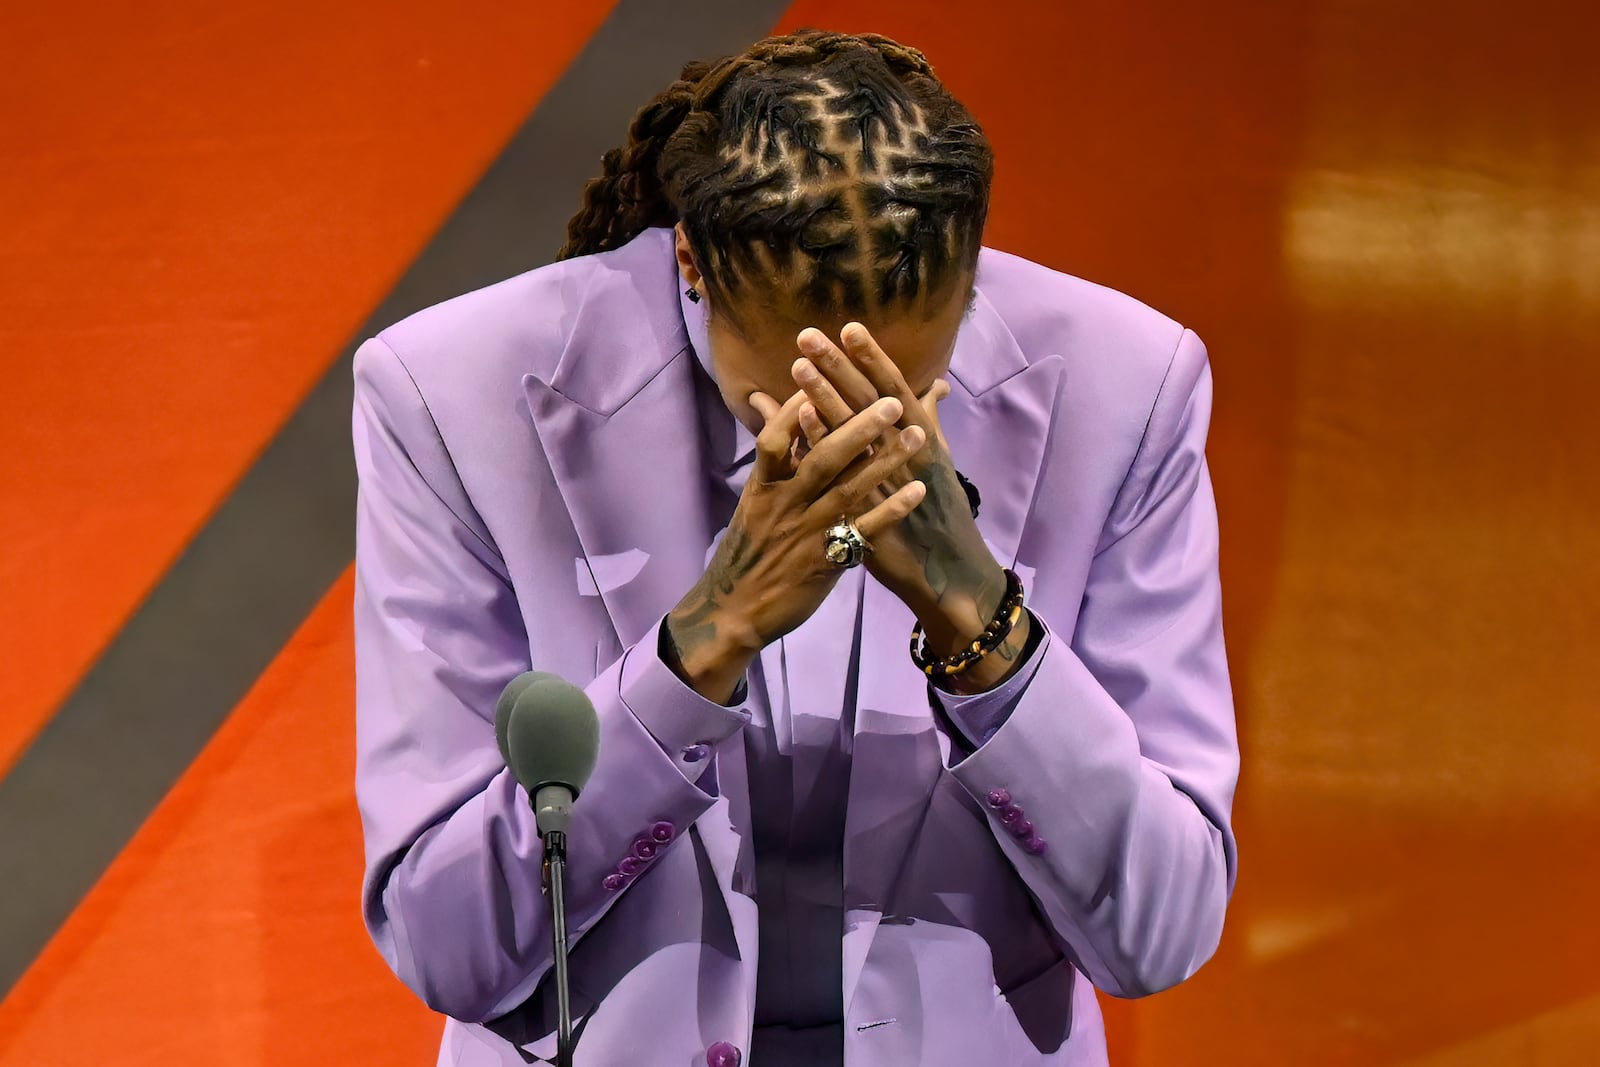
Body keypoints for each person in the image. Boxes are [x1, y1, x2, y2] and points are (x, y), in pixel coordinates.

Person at [352, 29, 1238, 1067]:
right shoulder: (452, 393)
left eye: (899, 390)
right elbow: (445, 940)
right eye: (793, 389)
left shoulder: (1126, 385)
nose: (845, 430)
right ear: (690, 261)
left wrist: (981, 621)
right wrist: (704, 640)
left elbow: (1161, 928)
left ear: (974, 274)